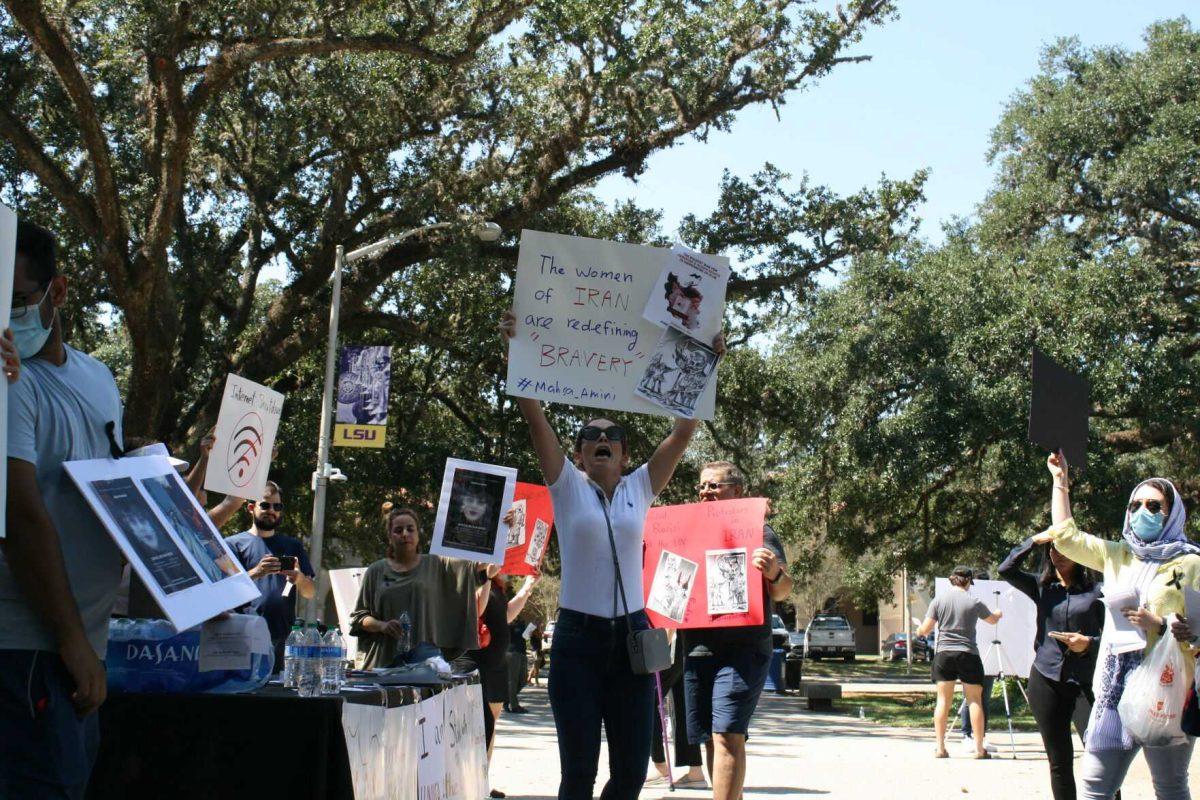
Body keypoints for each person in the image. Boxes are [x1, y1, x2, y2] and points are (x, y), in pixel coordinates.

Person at [499, 310, 722, 800]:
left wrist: (707, 364)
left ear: (624, 455)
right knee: (577, 775)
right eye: (591, 436)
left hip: (632, 641)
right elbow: (532, 410)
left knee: (631, 774)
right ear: (578, 454)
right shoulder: (566, 486)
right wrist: (517, 346)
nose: (602, 439)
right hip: (577, 642)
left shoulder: (641, 485)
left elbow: (682, 433)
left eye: (612, 437)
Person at [0, 220, 127, 798]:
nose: (8, 315)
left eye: (18, 299)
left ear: (59, 291)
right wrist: (72, 645)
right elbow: (22, 517)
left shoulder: (98, 376)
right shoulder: (7, 382)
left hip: (81, 651)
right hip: (28, 651)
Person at [1038, 453, 1200, 800]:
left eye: (1154, 506)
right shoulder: (1118, 555)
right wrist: (1060, 482)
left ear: (1172, 513)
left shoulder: (1190, 562)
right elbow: (1067, 538)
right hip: (1114, 690)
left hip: (1165, 692)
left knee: (1170, 788)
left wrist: (1161, 623)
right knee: (1095, 786)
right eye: (1135, 505)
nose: (1143, 511)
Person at [680, 462, 792, 799]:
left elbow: (784, 589)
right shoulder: (689, 531)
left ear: (737, 491)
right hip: (698, 648)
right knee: (714, 738)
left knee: (728, 733)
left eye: (713, 486)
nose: (705, 492)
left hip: (744, 650)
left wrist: (773, 572)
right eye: (702, 486)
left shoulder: (761, 531)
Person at [999, 530, 1104, 799]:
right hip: (1046, 678)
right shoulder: (1042, 587)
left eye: (1067, 549)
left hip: (1086, 682)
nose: (1059, 555)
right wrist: (1034, 541)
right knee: (1059, 762)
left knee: (1101, 756)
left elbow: (1115, 636)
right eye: (1054, 550)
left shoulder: (1099, 589)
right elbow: (1006, 568)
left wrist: (1088, 643)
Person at [349, 505, 496, 668]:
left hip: (425, 664)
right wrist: (382, 626)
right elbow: (359, 618)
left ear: (418, 534)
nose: (405, 534)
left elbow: (480, 563)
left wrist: (504, 528)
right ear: (390, 536)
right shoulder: (375, 571)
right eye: (398, 530)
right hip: (383, 663)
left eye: (410, 529)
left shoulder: (437, 564)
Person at [224, 482, 316, 668]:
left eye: (277, 506)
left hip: (283, 637)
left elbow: (310, 593)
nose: (271, 511)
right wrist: (256, 572)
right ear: (251, 508)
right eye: (265, 505)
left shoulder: (293, 546)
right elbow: (224, 590)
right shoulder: (233, 544)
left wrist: (298, 578)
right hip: (244, 636)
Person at [916, 566, 1002, 759]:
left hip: (944, 654)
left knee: (943, 701)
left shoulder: (939, 600)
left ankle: (940, 747)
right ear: (969, 581)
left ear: (952, 580)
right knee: (974, 700)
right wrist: (998, 613)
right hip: (968, 654)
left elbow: (926, 629)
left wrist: (919, 631)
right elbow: (992, 620)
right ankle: (979, 749)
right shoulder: (974, 601)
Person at [648, 632, 706, 789]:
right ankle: (695, 770)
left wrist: (662, 641)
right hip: (685, 639)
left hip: (673, 637)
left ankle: (660, 764)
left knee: (648, 697)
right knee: (683, 700)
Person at [957, 568, 997, 754]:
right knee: (971, 698)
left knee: (983, 699)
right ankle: (966, 734)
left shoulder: (986, 598)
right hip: (972, 654)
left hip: (989, 653)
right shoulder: (969, 600)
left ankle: (981, 736)